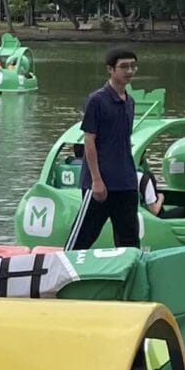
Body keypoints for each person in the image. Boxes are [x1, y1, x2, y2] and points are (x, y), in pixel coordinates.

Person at [68, 46, 142, 250]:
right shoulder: (97, 100)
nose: (129, 71)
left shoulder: (130, 102)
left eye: (133, 66)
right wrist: (96, 181)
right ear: (110, 69)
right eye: (124, 67)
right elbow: (89, 141)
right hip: (100, 183)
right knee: (81, 239)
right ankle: (63, 275)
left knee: (129, 241)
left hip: (126, 182)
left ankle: (127, 279)